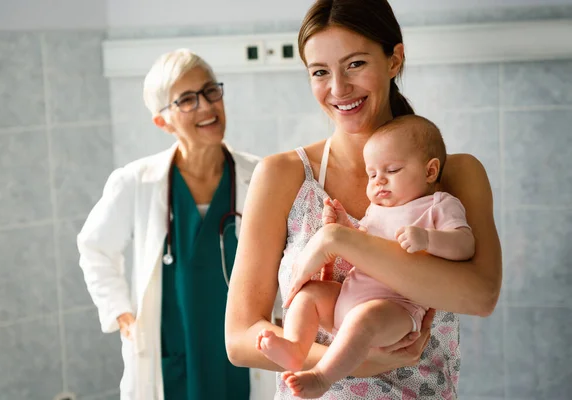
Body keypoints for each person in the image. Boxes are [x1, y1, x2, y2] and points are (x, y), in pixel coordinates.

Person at [225, 0, 502, 399]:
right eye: (320, 72)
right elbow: (239, 338)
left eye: (355, 64)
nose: (338, 89)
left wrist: (339, 241)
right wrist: (358, 360)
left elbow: (480, 296)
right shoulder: (283, 176)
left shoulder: (452, 176)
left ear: (394, 59)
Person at [77, 49, 267, 400]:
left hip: (243, 348)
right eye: (187, 100)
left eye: (211, 91)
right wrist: (122, 315)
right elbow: (95, 248)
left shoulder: (260, 176)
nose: (207, 106)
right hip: (173, 348)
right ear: (162, 121)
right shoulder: (137, 181)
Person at [257, 115, 475, 398]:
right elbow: (361, 245)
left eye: (392, 170)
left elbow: (465, 244)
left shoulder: (439, 205)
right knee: (309, 294)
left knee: (364, 320)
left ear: (430, 171)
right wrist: (345, 227)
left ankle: (322, 377)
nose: (379, 181)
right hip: (348, 297)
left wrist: (429, 239)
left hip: (397, 308)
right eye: (372, 174)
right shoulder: (378, 209)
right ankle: (296, 347)